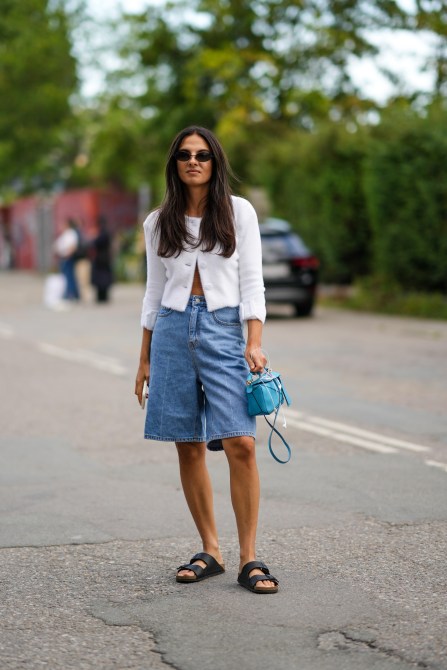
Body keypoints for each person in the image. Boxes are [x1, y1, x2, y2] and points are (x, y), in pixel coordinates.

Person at [134, 126, 278, 594]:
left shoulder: (239, 213)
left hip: (222, 327)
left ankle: (250, 558)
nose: (193, 161)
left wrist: (254, 341)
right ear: (174, 163)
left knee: (242, 443)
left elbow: (253, 282)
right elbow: (154, 292)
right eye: (183, 154)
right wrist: (144, 359)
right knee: (187, 442)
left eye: (202, 154)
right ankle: (210, 550)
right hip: (172, 332)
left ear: (214, 161)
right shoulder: (158, 222)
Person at [53, 219, 80, 300]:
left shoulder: (71, 233)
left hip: (68, 258)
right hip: (63, 257)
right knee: (65, 277)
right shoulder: (65, 234)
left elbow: (73, 246)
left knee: (69, 276)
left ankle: (71, 294)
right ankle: (68, 292)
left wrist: (68, 254)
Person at [90, 215, 114, 302]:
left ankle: (101, 297)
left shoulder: (101, 233)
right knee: (105, 278)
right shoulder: (108, 232)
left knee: (100, 279)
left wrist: (94, 237)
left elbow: (96, 243)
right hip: (106, 257)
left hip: (100, 258)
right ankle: (104, 296)